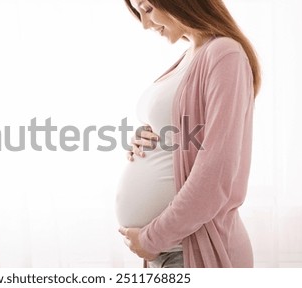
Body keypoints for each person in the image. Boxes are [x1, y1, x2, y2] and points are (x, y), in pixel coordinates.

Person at [116, 0, 261, 268]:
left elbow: (216, 174)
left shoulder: (224, 54)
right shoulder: (190, 55)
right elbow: (185, 130)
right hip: (169, 252)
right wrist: (148, 137)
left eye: (147, 9)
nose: (145, 24)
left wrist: (151, 239)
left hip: (192, 249)